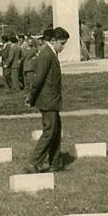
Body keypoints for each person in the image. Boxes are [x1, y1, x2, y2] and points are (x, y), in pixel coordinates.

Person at [25, 27, 69, 174]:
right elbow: (38, 79)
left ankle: (55, 163)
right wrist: (31, 97)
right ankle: (33, 162)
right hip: (48, 100)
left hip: (53, 100)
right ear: (53, 41)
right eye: (62, 44)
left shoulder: (51, 53)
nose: (63, 47)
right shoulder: (46, 55)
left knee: (56, 131)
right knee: (49, 132)